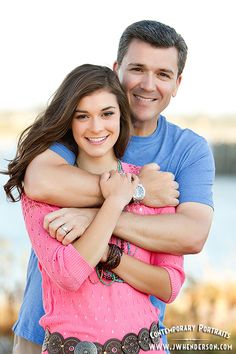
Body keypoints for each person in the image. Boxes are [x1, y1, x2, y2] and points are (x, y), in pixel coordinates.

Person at [5, 20, 215, 354]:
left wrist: (97, 217)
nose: (148, 84)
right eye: (137, 69)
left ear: (177, 83)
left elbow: (191, 235)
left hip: (137, 338)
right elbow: (40, 182)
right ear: (117, 70)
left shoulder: (187, 150)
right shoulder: (74, 136)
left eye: (163, 74)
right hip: (45, 329)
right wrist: (136, 190)